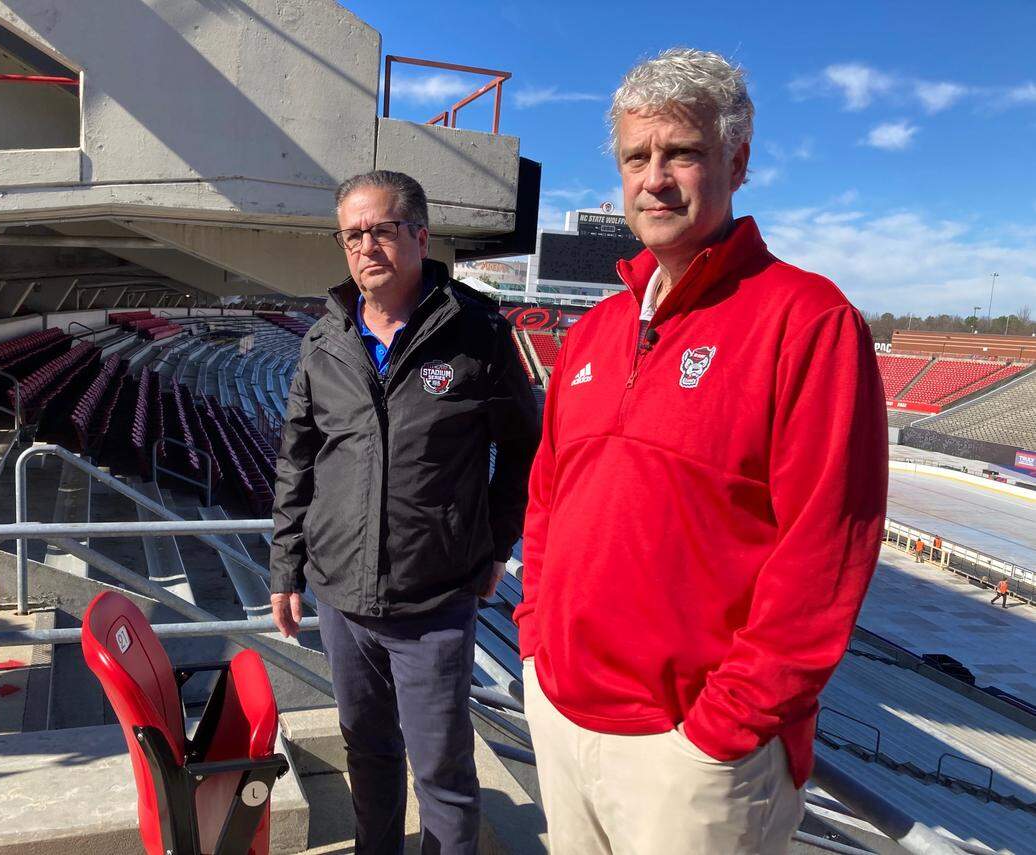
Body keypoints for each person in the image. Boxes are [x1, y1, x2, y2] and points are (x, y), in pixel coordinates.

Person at [514, 49, 888, 854]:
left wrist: (722, 731)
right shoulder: (592, 329)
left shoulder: (809, 321)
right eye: (635, 157)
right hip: (561, 716)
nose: (655, 177)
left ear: (737, 162)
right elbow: (548, 500)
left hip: (691, 755)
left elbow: (824, 553)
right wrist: (536, 645)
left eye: (681, 152)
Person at [269, 170, 539, 854]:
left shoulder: (477, 331)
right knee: (369, 753)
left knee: (443, 769)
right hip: (341, 596)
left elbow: (524, 448)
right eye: (352, 234)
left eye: (381, 229)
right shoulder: (323, 340)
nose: (366, 246)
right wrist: (285, 568)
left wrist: (495, 545)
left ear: (420, 236)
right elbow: (298, 460)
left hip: (435, 599)